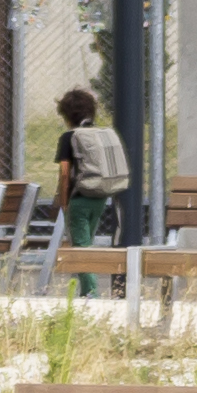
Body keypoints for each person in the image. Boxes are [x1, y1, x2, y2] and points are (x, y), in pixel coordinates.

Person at [49, 85, 131, 261]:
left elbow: (64, 174)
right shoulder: (100, 134)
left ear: (67, 116)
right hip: (100, 196)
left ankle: (90, 289)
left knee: (80, 249)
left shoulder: (69, 137)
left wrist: (62, 203)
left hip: (79, 199)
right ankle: (79, 286)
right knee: (87, 241)